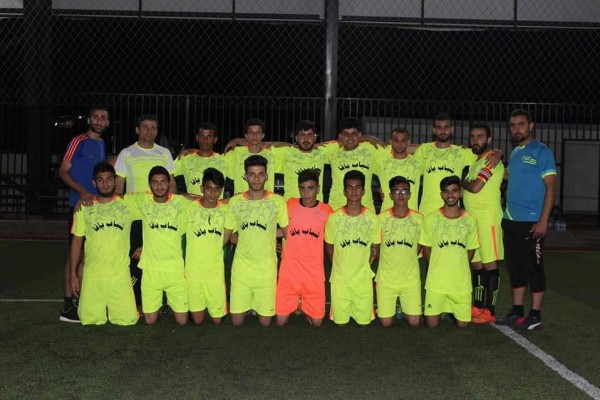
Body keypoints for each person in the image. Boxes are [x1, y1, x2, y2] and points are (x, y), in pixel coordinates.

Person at [500, 109, 557, 330]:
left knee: (534, 268)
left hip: (532, 223)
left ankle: (535, 315)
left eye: (521, 124)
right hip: (511, 220)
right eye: (513, 125)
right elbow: (510, 177)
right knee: (515, 268)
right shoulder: (515, 152)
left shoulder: (542, 152)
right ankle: (517, 312)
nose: (516, 128)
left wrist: (543, 221)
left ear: (531, 126)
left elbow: (551, 187)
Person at [114, 115, 176, 308]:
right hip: (136, 216)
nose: (149, 131)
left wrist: (172, 209)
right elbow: (119, 184)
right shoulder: (127, 153)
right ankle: (136, 299)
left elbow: (171, 183)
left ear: (157, 131)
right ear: (137, 130)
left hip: (159, 216)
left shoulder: (164, 153)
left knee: (160, 255)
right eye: (145, 127)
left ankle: (162, 297)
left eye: (153, 127)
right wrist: (116, 210)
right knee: (136, 256)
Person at [69, 162, 139, 326]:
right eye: (100, 180)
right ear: (94, 183)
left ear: (115, 182)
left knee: (128, 320)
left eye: (109, 179)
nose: (105, 183)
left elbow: (157, 202)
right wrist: (72, 274)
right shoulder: (84, 207)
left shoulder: (128, 203)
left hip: (119, 276)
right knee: (88, 320)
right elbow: (77, 241)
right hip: (93, 276)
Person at [224, 155, 288, 326]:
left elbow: (287, 232)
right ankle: (248, 304)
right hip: (242, 268)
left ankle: (255, 305)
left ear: (267, 176)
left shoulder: (277, 201)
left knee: (265, 323)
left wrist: (268, 235)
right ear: (245, 176)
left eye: (260, 174)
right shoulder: (235, 202)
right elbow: (227, 235)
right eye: (252, 174)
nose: (256, 179)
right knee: (236, 322)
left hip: (266, 269)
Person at [58, 106, 109, 322]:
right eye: (95, 117)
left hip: (95, 209)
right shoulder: (78, 141)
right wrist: (82, 191)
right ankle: (67, 305)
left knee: (87, 256)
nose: (99, 121)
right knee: (74, 255)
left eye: (103, 118)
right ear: (89, 120)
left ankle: (80, 299)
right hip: (78, 206)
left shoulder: (102, 144)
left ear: (107, 123)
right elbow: (63, 171)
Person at [125, 166, 188, 325]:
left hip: (175, 269)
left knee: (182, 321)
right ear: (149, 185)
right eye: (155, 182)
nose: (159, 186)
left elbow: (203, 202)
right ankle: (160, 306)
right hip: (151, 269)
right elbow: (114, 199)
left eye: (163, 182)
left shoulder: (180, 202)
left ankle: (167, 302)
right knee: (150, 320)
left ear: (169, 183)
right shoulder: (142, 200)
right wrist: (89, 197)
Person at [413, 113, 502, 216]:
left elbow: (484, 154)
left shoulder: (462, 153)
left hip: (452, 213)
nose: (442, 130)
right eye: (439, 127)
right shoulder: (424, 150)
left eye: (446, 127)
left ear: (452, 129)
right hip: (427, 212)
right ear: (433, 130)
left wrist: (498, 153)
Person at [275, 169, 333, 327]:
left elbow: (333, 238)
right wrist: (269, 240)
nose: (306, 193)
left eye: (311, 188)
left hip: (313, 274)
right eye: (303, 188)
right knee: (280, 322)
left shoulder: (327, 211)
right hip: (290, 272)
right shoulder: (290, 205)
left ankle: (303, 305)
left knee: (317, 323)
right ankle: (297, 303)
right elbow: (282, 230)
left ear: (318, 188)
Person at [420, 176, 479, 329]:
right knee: (431, 325)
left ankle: (453, 311)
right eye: (446, 191)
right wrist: (436, 267)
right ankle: (441, 309)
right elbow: (426, 248)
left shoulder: (470, 221)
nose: (450, 195)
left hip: (460, 283)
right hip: (436, 282)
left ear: (460, 193)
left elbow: (471, 250)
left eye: (454, 191)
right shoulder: (431, 219)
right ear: (441, 194)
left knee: (463, 325)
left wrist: (459, 267)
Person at [325, 170, 381, 326]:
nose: (354, 191)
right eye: (349, 187)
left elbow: (376, 248)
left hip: (362, 280)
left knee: (364, 324)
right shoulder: (334, 218)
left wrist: (365, 267)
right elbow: (329, 246)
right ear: (344, 191)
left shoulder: (372, 219)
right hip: (340, 279)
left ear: (363, 191)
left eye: (357, 187)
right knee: (340, 324)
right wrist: (338, 266)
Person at [462, 123, 504, 324]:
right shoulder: (475, 162)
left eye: (480, 136)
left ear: (488, 140)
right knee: (476, 263)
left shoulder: (492, 161)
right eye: (472, 137)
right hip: (473, 221)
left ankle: (490, 310)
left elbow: (476, 187)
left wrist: (462, 182)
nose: (475, 140)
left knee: (489, 264)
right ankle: (478, 306)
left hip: (488, 220)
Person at [184, 168, 230, 325]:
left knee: (217, 321)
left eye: (217, 189)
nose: (212, 193)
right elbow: (176, 197)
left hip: (215, 274)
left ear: (221, 190)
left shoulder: (226, 210)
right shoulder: (189, 208)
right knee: (197, 321)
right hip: (194, 273)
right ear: (201, 188)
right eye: (209, 188)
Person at [376, 176, 423, 328]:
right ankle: (392, 305)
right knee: (386, 323)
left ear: (409, 194)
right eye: (396, 191)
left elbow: (420, 247)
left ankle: (402, 305)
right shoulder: (381, 219)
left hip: (410, 279)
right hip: (387, 279)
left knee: (414, 323)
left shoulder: (419, 219)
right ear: (390, 195)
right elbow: (375, 246)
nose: (400, 195)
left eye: (404, 191)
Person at [321, 118, 383, 212]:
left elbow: (396, 148)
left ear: (359, 135)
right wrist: (367, 137)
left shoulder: (369, 148)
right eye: (346, 134)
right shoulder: (333, 150)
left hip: (365, 209)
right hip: (337, 208)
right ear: (340, 136)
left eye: (354, 134)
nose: (350, 137)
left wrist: (369, 138)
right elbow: (313, 148)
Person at [224, 119, 280, 194]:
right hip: (242, 199)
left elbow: (288, 147)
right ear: (246, 136)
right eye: (251, 132)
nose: (254, 135)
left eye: (258, 132)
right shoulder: (236, 153)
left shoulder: (271, 155)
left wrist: (237, 140)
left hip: (266, 200)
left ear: (263, 135)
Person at [373, 128, 422, 212]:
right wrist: (379, 188)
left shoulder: (418, 163)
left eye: (403, 141)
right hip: (387, 214)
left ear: (408, 142)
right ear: (391, 142)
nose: (399, 144)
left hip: (411, 215)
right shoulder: (381, 162)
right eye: (396, 140)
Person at [173, 123, 227, 196]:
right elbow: (167, 175)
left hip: (216, 203)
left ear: (215, 139)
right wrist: (178, 197)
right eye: (202, 136)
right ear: (197, 137)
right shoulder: (185, 158)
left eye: (209, 136)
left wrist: (237, 140)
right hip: (192, 203)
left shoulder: (224, 160)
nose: (205, 139)